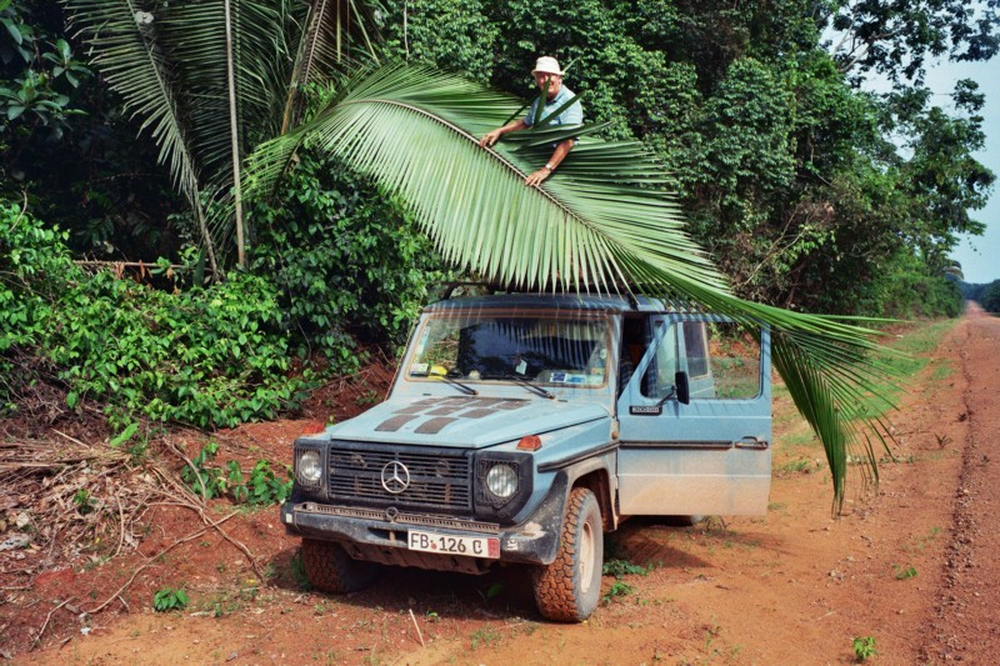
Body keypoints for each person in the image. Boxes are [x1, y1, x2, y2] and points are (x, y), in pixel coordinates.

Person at [479, 56, 583, 187]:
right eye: (540, 76)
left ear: (559, 78)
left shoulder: (570, 102)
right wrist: (500, 130)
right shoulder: (540, 99)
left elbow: (568, 140)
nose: (545, 80)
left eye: (550, 76)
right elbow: (525, 123)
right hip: (538, 156)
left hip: (559, 166)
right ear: (536, 80)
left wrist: (546, 170)